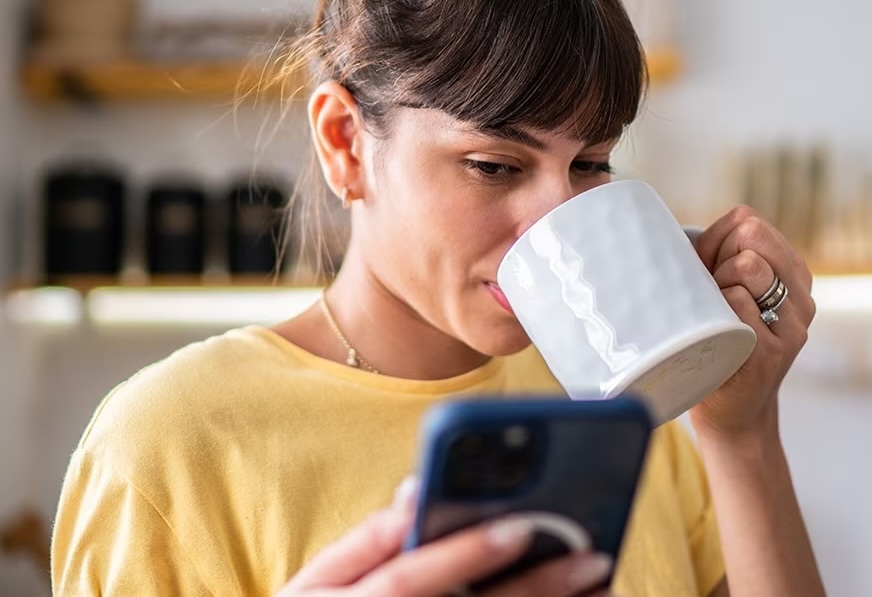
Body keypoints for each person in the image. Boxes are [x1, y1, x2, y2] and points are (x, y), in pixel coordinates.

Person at [51, 0, 826, 595]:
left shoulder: (619, 404)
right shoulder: (168, 445)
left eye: (591, 163)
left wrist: (743, 435)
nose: (559, 218)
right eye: (494, 165)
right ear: (345, 145)